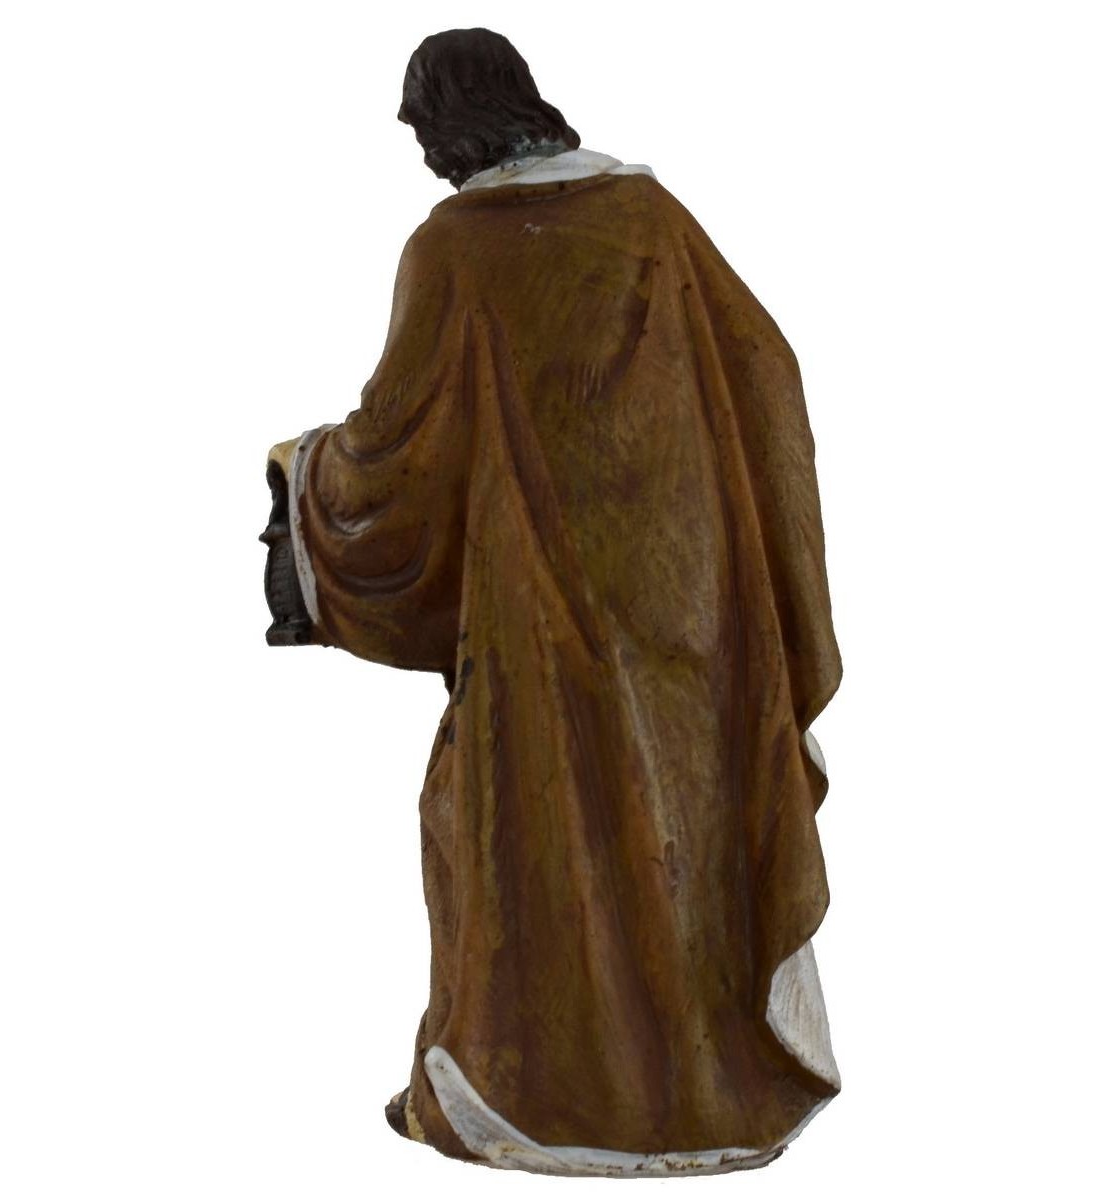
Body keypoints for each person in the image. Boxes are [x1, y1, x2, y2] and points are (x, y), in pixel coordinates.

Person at [263, 27, 842, 1177]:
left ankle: (528, 1094)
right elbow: (763, 371)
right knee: (687, 829)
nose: (422, 153)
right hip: (688, 597)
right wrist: (724, 543)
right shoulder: (652, 219)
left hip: (538, 611)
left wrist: (306, 474)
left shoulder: (456, 250)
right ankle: (701, 1099)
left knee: (529, 841)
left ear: (454, 122)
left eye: (423, 129)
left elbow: (396, 447)